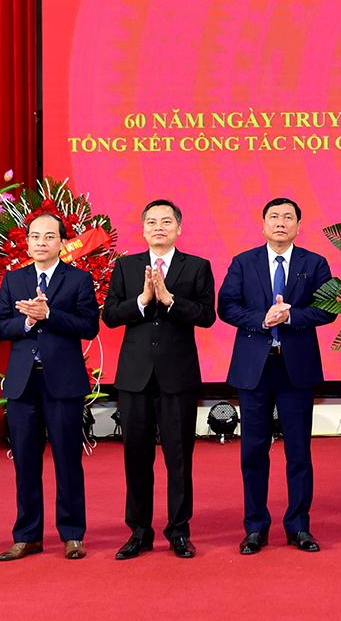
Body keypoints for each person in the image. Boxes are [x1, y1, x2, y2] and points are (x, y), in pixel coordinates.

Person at [217, 198, 337, 555]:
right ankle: (255, 527)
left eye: (288, 217)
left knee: (298, 452)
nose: (280, 222)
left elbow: (328, 308)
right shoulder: (243, 262)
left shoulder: (314, 263)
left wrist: (291, 316)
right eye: (274, 217)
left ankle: (299, 526)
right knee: (253, 452)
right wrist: (262, 319)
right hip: (254, 369)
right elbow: (226, 306)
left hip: (295, 368)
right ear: (263, 224)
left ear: (298, 225)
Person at [102, 199, 216, 560]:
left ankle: (179, 531)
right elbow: (110, 316)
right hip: (134, 377)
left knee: (178, 458)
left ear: (179, 228)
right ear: (143, 229)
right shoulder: (126, 266)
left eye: (166, 221)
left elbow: (207, 316)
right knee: (136, 457)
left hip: (177, 377)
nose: (159, 227)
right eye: (151, 222)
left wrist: (169, 299)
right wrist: (142, 299)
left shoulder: (197, 266)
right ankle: (139, 531)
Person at [0, 213, 100, 560]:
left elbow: (89, 326)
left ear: (62, 242)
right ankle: (27, 536)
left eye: (49, 236)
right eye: (35, 236)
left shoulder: (78, 279)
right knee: (25, 462)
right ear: (27, 242)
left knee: (67, 460)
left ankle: (72, 534)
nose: (41, 242)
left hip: (63, 382)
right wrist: (26, 320)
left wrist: (49, 315)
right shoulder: (14, 279)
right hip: (23, 382)